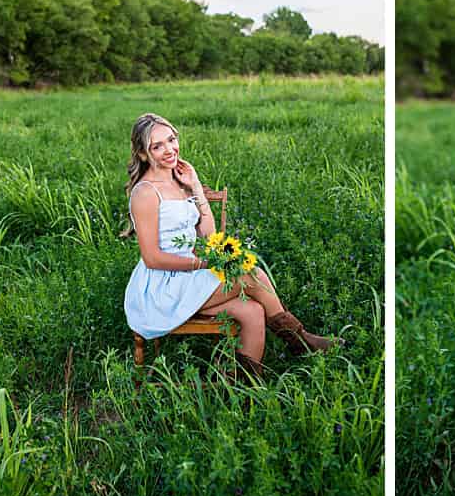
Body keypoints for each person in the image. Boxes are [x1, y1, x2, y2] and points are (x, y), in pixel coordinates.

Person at [123, 112, 337, 380]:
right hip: (165, 286)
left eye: (171, 139)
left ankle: (239, 388)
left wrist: (196, 187)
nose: (169, 149)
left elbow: (209, 234)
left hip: (192, 276)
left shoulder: (180, 181)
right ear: (144, 154)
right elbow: (153, 258)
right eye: (157, 146)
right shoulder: (145, 193)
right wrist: (204, 263)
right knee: (252, 274)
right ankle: (300, 341)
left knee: (253, 311)